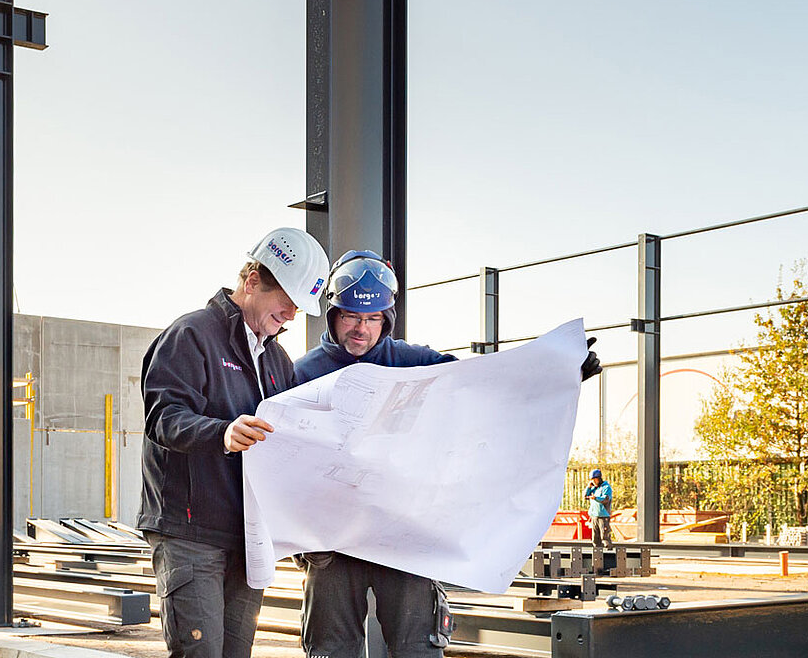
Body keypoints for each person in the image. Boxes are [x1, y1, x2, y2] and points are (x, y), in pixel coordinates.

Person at [291, 250, 601, 658]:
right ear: (332, 315)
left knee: (417, 648)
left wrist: (558, 372)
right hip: (331, 540)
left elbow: (485, 385)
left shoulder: (413, 362)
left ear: (387, 319)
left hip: (402, 530)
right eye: (350, 316)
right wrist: (299, 539)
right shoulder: (301, 375)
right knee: (330, 651)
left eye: (373, 318)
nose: (361, 329)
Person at [139, 227, 329, 658]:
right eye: (286, 301)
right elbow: (163, 418)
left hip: (248, 538)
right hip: (192, 532)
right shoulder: (192, 336)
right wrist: (222, 433)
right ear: (253, 282)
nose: (292, 315)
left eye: (298, 307)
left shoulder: (277, 361)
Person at [585, 469, 614, 549]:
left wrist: (595, 498)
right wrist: (588, 488)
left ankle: (608, 551)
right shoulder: (594, 488)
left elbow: (605, 499)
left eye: (595, 479)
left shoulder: (606, 487)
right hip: (594, 516)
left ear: (599, 478)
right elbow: (585, 496)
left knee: (605, 537)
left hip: (603, 516)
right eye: (592, 480)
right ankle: (597, 552)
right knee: (595, 539)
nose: (593, 481)